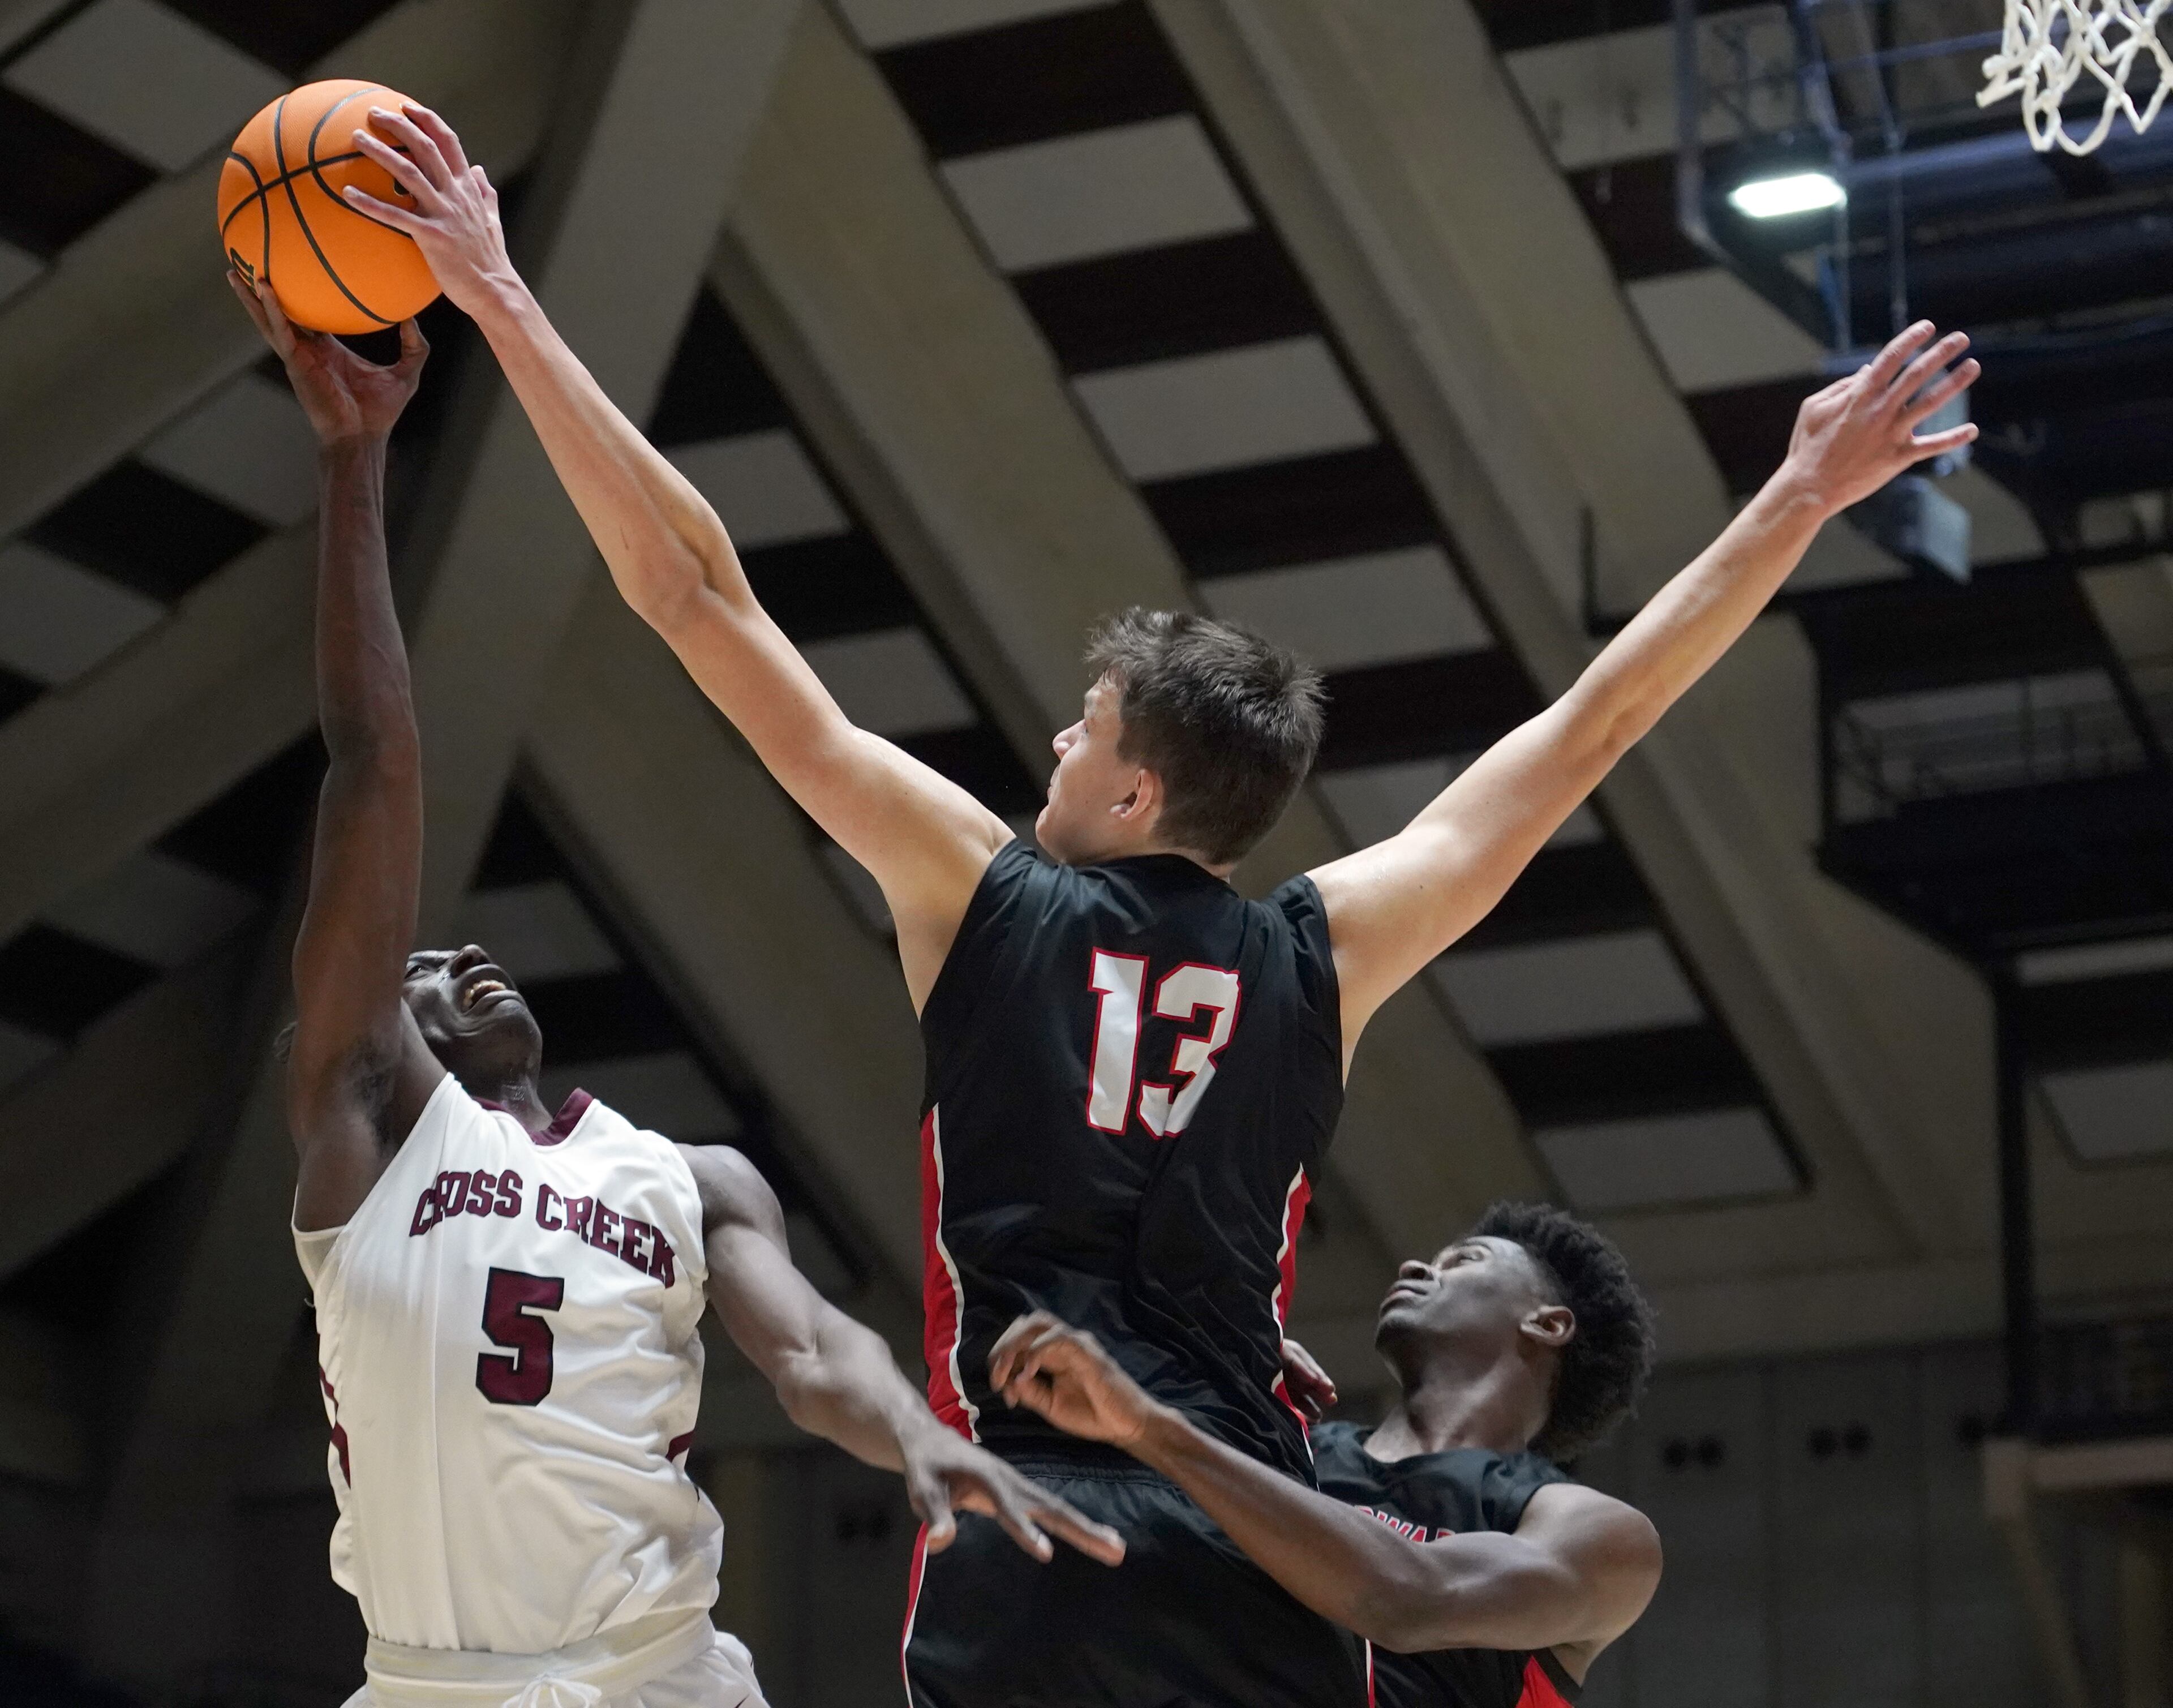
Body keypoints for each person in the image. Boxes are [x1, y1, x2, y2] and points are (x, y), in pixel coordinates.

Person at [336, 98, 1974, 1708]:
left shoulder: (979, 889)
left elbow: (692, 591)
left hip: (1034, 1521)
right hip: (1256, 1535)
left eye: (1085, 724)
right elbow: (1591, 728)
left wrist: (500, 293)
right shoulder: (1323, 949)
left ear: (1130, 792)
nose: (1056, 737)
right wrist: (1800, 498)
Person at [235, 271, 1120, 1708]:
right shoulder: (370, 1129)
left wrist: (911, 1429)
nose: (454, 952)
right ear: (371, 1036)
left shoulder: (685, 1176)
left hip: (660, 1677)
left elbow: (811, 1348)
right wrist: (352, 467)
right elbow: (373, 764)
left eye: (460, 947)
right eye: (417, 968)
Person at [988, 1202, 1663, 1708]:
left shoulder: (1597, 1534)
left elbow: (1409, 1600)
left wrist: (1160, 1428)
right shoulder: (1289, 1453)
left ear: (1547, 1323)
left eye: (1464, 1261)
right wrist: (1206, 1394)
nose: (1414, 1266)